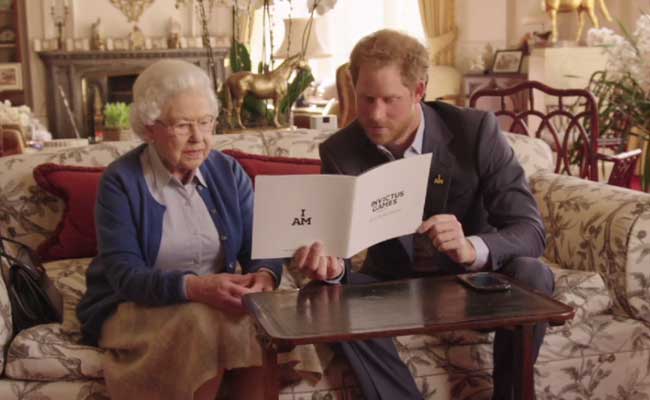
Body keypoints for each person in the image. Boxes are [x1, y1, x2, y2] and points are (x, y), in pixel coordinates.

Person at [292, 29, 554, 400]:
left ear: (419, 91)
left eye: (390, 100)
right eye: (366, 99)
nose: (375, 115)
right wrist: (332, 267)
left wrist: (471, 247)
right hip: (393, 286)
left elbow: (530, 230)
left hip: (473, 282)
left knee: (533, 273)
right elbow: (340, 251)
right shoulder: (340, 150)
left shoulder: (474, 131)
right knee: (324, 294)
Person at [77, 59, 287, 400]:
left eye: (205, 123)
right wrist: (195, 288)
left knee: (254, 320)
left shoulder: (228, 172)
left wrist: (263, 277)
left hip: (213, 302)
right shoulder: (121, 181)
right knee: (200, 322)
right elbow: (124, 275)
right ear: (150, 128)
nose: (198, 138)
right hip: (132, 304)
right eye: (182, 125)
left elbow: (261, 243)